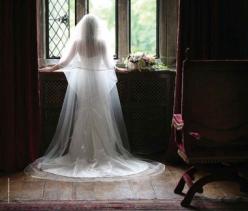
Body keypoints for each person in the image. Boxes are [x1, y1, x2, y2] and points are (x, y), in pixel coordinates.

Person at [25, 14, 164, 181]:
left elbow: (64, 63)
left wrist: (48, 69)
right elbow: (110, 65)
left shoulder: (77, 43)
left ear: (82, 29)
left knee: (83, 113)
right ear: (96, 28)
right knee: (101, 114)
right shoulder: (101, 43)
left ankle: (80, 153)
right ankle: (102, 153)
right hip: (98, 84)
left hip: (84, 83)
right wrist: (125, 70)